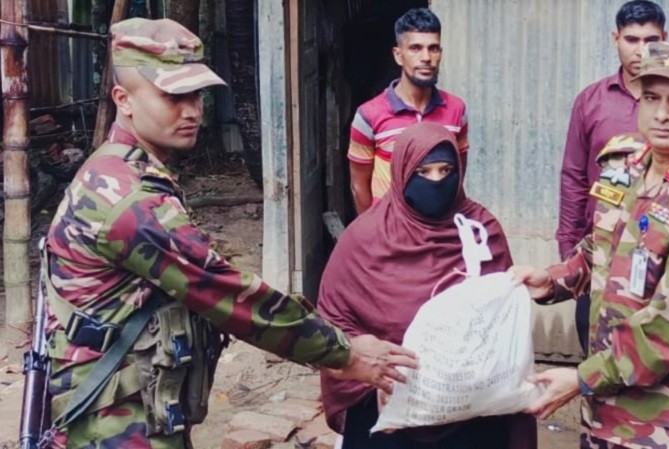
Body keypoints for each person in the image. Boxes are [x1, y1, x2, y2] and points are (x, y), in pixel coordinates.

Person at [43, 18, 417, 449]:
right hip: (114, 425)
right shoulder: (129, 201)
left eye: (197, 94)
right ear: (123, 100)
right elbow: (229, 294)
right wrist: (345, 354)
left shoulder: (120, 169)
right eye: (173, 96)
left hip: (128, 407)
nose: (192, 110)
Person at [514, 42, 669, 449]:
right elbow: (605, 246)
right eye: (651, 98)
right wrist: (554, 279)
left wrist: (579, 379)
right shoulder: (627, 163)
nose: (663, 114)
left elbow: (665, 328)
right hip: (606, 411)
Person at [319, 122, 536, 449]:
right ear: (403, 172)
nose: (436, 181)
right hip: (389, 408)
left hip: (472, 409)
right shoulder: (364, 240)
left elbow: (503, 330)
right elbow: (333, 327)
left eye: (445, 170)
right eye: (424, 171)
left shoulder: (480, 230)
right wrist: (369, 376)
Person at [556, 0, 669, 354]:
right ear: (615, 38)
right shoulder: (591, 101)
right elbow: (573, 177)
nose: (641, 50)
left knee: (657, 349)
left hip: (665, 253)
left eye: (651, 40)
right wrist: (570, 252)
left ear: (665, 39)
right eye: (631, 39)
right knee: (598, 349)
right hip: (600, 251)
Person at [348, 8, 469, 215]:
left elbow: (457, 176)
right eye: (415, 48)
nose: (426, 57)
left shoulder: (457, 111)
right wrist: (373, 234)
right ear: (398, 55)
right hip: (390, 237)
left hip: (438, 235)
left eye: (433, 48)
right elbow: (359, 188)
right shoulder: (368, 116)